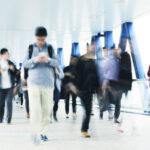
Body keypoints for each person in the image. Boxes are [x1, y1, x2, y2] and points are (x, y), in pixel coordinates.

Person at [23, 26, 59, 143]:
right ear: (35, 38)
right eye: (39, 39)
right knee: (36, 109)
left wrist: (48, 60)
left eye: (43, 39)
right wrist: (35, 60)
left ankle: (43, 132)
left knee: (47, 110)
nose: (41, 42)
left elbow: (57, 63)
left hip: (48, 83)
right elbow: (25, 63)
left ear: (46, 38)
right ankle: (35, 132)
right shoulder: (30, 48)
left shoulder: (50, 48)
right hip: (33, 83)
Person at [75, 42, 99, 137]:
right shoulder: (81, 60)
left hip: (90, 90)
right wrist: (76, 87)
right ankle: (84, 129)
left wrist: (98, 88)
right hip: (82, 89)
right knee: (87, 109)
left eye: (95, 46)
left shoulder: (93, 61)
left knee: (88, 110)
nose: (93, 48)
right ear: (87, 47)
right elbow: (76, 74)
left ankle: (84, 129)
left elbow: (96, 76)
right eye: (92, 46)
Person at [0, 48, 17, 124]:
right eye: (7, 54)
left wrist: (13, 69)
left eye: (8, 54)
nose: (8, 55)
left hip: (10, 86)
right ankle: (1, 118)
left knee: (9, 102)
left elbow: (16, 72)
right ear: (2, 55)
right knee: (1, 103)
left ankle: (8, 119)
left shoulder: (11, 63)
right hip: (1, 87)